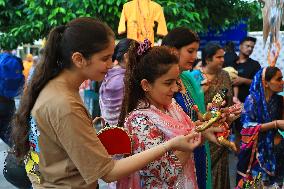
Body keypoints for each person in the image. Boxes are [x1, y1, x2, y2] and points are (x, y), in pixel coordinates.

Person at [11, 17, 206, 188]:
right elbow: (109, 172)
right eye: (104, 58)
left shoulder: (55, 90)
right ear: (79, 59)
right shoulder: (65, 104)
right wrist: (169, 145)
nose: (110, 64)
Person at [118, 39, 223, 188]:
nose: (175, 88)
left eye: (176, 81)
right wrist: (199, 134)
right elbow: (167, 172)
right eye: (168, 83)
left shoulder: (171, 105)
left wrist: (207, 127)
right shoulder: (139, 121)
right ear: (146, 85)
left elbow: (191, 131)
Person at [161, 27, 212, 189]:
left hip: (196, 149)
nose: (195, 57)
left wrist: (211, 117)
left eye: (196, 51)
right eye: (190, 51)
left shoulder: (187, 79)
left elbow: (196, 116)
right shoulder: (160, 83)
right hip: (174, 156)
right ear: (172, 50)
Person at [191, 42, 234, 189]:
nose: (223, 59)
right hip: (204, 128)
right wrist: (202, 90)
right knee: (204, 168)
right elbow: (191, 104)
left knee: (220, 169)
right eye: (219, 57)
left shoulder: (225, 75)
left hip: (222, 128)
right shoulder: (195, 76)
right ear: (208, 59)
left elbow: (229, 100)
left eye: (223, 56)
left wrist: (228, 114)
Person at [236, 67, 284, 188]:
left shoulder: (279, 100)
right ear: (266, 83)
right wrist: (275, 124)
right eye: (279, 79)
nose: (282, 82)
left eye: (282, 78)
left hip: (275, 151)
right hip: (254, 152)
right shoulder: (252, 100)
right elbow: (247, 128)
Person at [99, 38, 138, 126]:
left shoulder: (110, 74)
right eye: (138, 57)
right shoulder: (123, 80)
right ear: (127, 57)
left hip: (108, 130)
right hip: (120, 132)